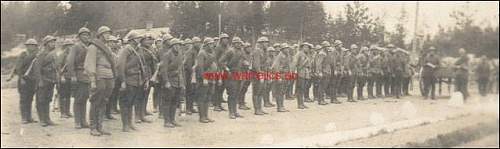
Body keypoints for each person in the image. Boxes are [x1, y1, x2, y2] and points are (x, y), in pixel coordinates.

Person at [84, 26, 117, 136]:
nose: (108, 35)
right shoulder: (93, 47)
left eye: (109, 33)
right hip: (99, 76)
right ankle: (93, 127)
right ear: (100, 34)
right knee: (96, 102)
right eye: (106, 33)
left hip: (109, 75)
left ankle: (100, 126)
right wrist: (93, 80)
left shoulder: (107, 47)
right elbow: (90, 63)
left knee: (104, 101)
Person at [6, 38, 40, 124]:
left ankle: (29, 117)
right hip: (24, 79)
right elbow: (18, 67)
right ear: (27, 46)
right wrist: (21, 78)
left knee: (30, 99)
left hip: (32, 80)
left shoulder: (37, 55)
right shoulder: (23, 55)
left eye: (33, 45)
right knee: (24, 99)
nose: (31, 47)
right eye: (30, 45)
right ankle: (24, 117)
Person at [116, 31, 143, 132]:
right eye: (137, 38)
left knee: (131, 102)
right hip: (127, 79)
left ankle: (130, 123)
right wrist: (122, 81)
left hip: (135, 79)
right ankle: (125, 125)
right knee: (125, 103)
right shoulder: (126, 49)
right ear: (132, 40)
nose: (139, 40)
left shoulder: (136, 49)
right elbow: (120, 65)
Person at [66, 27, 92, 129]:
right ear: (79, 36)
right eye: (83, 35)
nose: (86, 37)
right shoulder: (76, 47)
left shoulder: (89, 46)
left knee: (85, 98)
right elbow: (70, 62)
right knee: (78, 99)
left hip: (87, 75)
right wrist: (72, 75)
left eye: (87, 35)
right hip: (79, 74)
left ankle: (83, 121)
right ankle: (77, 121)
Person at [160, 38, 186, 127]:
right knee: (167, 101)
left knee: (175, 101)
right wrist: (166, 81)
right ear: (172, 46)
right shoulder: (167, 55)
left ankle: (172, 119)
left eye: (179, 45)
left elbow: (181, 69)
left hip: (178, 81)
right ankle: (166, 121)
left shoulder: (180, 54)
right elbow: (164, 70)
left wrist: (183, 83)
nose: (178, 47)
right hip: (170, 80)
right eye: (177, 45)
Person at [33, 35, 58, 127]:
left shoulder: (53, 54)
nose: (53, 44)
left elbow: (55, 68)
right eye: (51, 42)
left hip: (50, 80)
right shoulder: (41, 54)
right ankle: (42, 119)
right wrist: (40, 81)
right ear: (46, 44)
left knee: (48, 99)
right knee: (41, 100)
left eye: (54, 42)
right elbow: (37, 69)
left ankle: (47, 119)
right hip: (43, 80)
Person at [219, 37, 246, 119]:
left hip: (239, 74)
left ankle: (235, 111)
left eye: (240, 43)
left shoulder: (241, 51)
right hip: (230, 74)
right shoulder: (230, 51)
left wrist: (245, 63)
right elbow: (221, 61)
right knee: (232, 93)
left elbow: (243, 60)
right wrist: (226, 69)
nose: (239, 44)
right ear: (234, 44)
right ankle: (231, 112)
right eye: (237, 43)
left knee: (237, 93)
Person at [194, 37, 217, 123]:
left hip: (211, 77)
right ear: (206, 45)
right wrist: (204, 78)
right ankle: (202, 117)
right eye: (210, 44)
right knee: (202, 97)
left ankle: (206, 115)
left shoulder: (211, 53)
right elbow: (200, 67)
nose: (212, 46)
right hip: (204, 78)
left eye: (212, 44)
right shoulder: (202, 53)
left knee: (208, 97)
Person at [252, 37, 271, 114]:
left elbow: (266, 64)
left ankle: (260, 108)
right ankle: (257, 109)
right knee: (257, 91)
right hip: (257, 73)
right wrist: (260, 75)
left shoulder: (264, 51)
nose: (267, 44)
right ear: (261, 43)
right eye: (265, 42)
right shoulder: (257, 51)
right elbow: (256, 65)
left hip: (263, 72)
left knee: (261, 91)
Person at [56, 39, 74, 118]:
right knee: (62, 95)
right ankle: (62, 112)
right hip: (63, 77)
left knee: (68, 95)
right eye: (68, 45)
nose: (70, 47)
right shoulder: (62, 55)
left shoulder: (71, 55)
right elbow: (59, 67)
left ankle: (67, 111)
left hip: (69, 77)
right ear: (65, 46)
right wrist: (61, 76)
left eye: (71, 45)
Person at [271, 43, 292, 112]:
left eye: (288, 48)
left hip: (285, 75)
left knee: (282, 92)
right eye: (286, 48)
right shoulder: (280, 56)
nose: (287, 49)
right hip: (281, 75)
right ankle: (279, 107)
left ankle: (282, 106)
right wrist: (278, 76)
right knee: (279, 92)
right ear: (282, 49)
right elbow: (275, 67)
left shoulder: (286, 55)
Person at [293, 42, 313, 109]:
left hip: (306, 73)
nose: (307, 48)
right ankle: (299, 104)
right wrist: (294, 72)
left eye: (308, 47)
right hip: (300, 72)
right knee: (300, 89)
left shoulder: (307, 55)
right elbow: (295, 63)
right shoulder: (299, 54)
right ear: (302, 47)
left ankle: (302, 103)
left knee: (303, 88)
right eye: (305, 47)